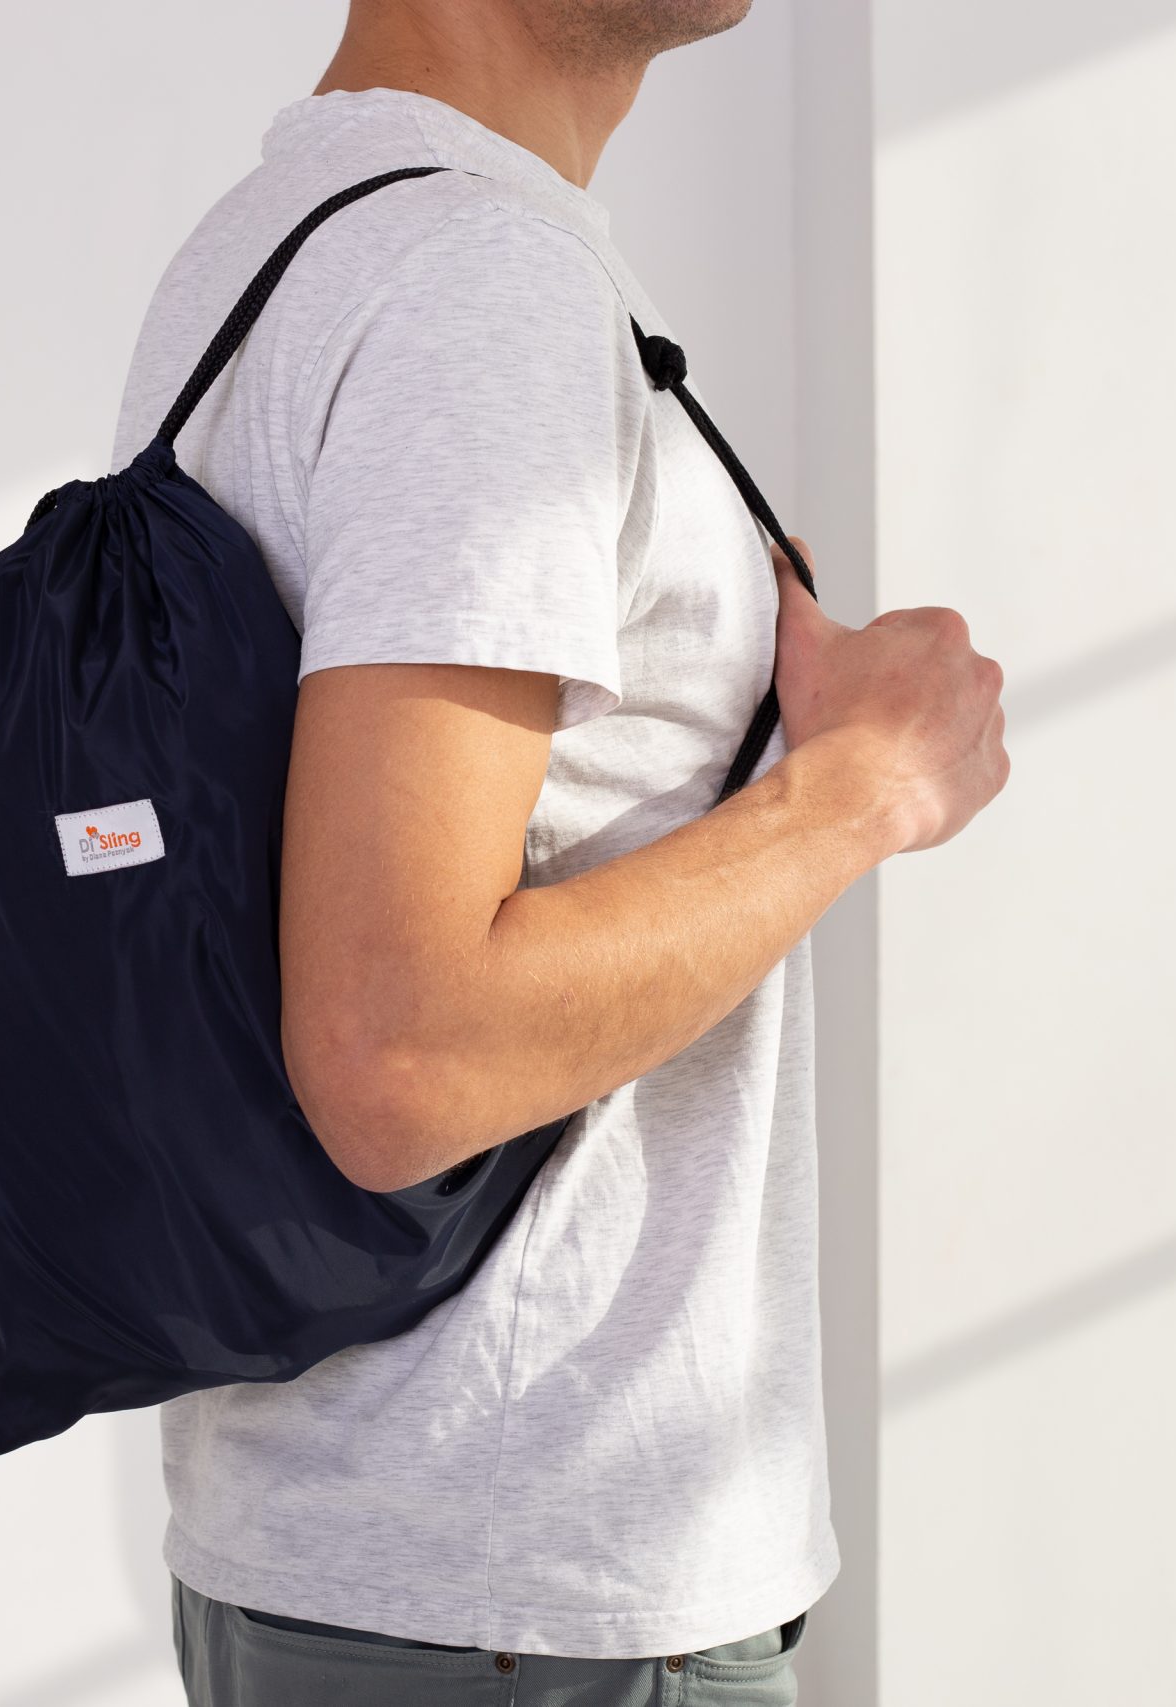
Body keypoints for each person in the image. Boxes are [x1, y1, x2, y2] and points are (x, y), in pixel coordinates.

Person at [109, 2, 1008, 1700]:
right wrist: (859, 789)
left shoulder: (286, 240)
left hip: (382, 1561)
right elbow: (399, 1050)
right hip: (532, 1592)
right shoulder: (474, 279)